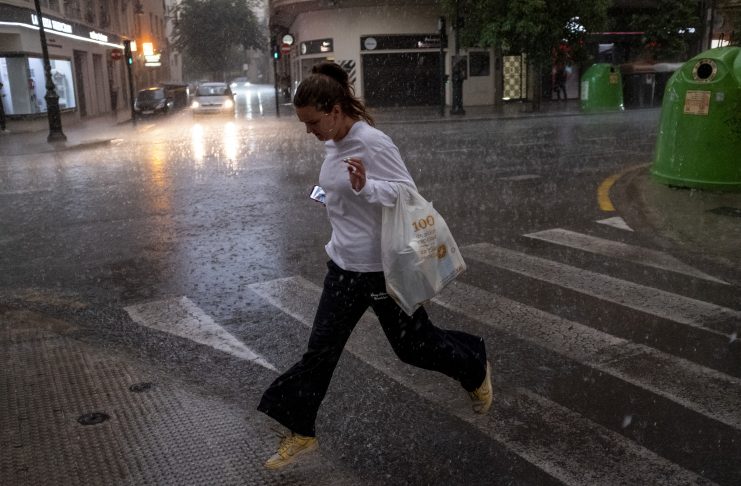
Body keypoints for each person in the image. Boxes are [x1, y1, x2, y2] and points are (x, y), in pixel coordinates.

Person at [257, 61, 492, 470]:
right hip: (343, 268)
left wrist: (367, 187)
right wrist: (332, 196)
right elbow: (343, 192)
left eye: (312, 122)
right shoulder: (333, 142)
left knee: (413, 347)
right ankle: (301, 431)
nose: (308, 131)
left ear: (334, 111)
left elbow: (407, 194)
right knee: (319, 353)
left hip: (380, 270)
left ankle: (473, 366)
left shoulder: (372, 142)